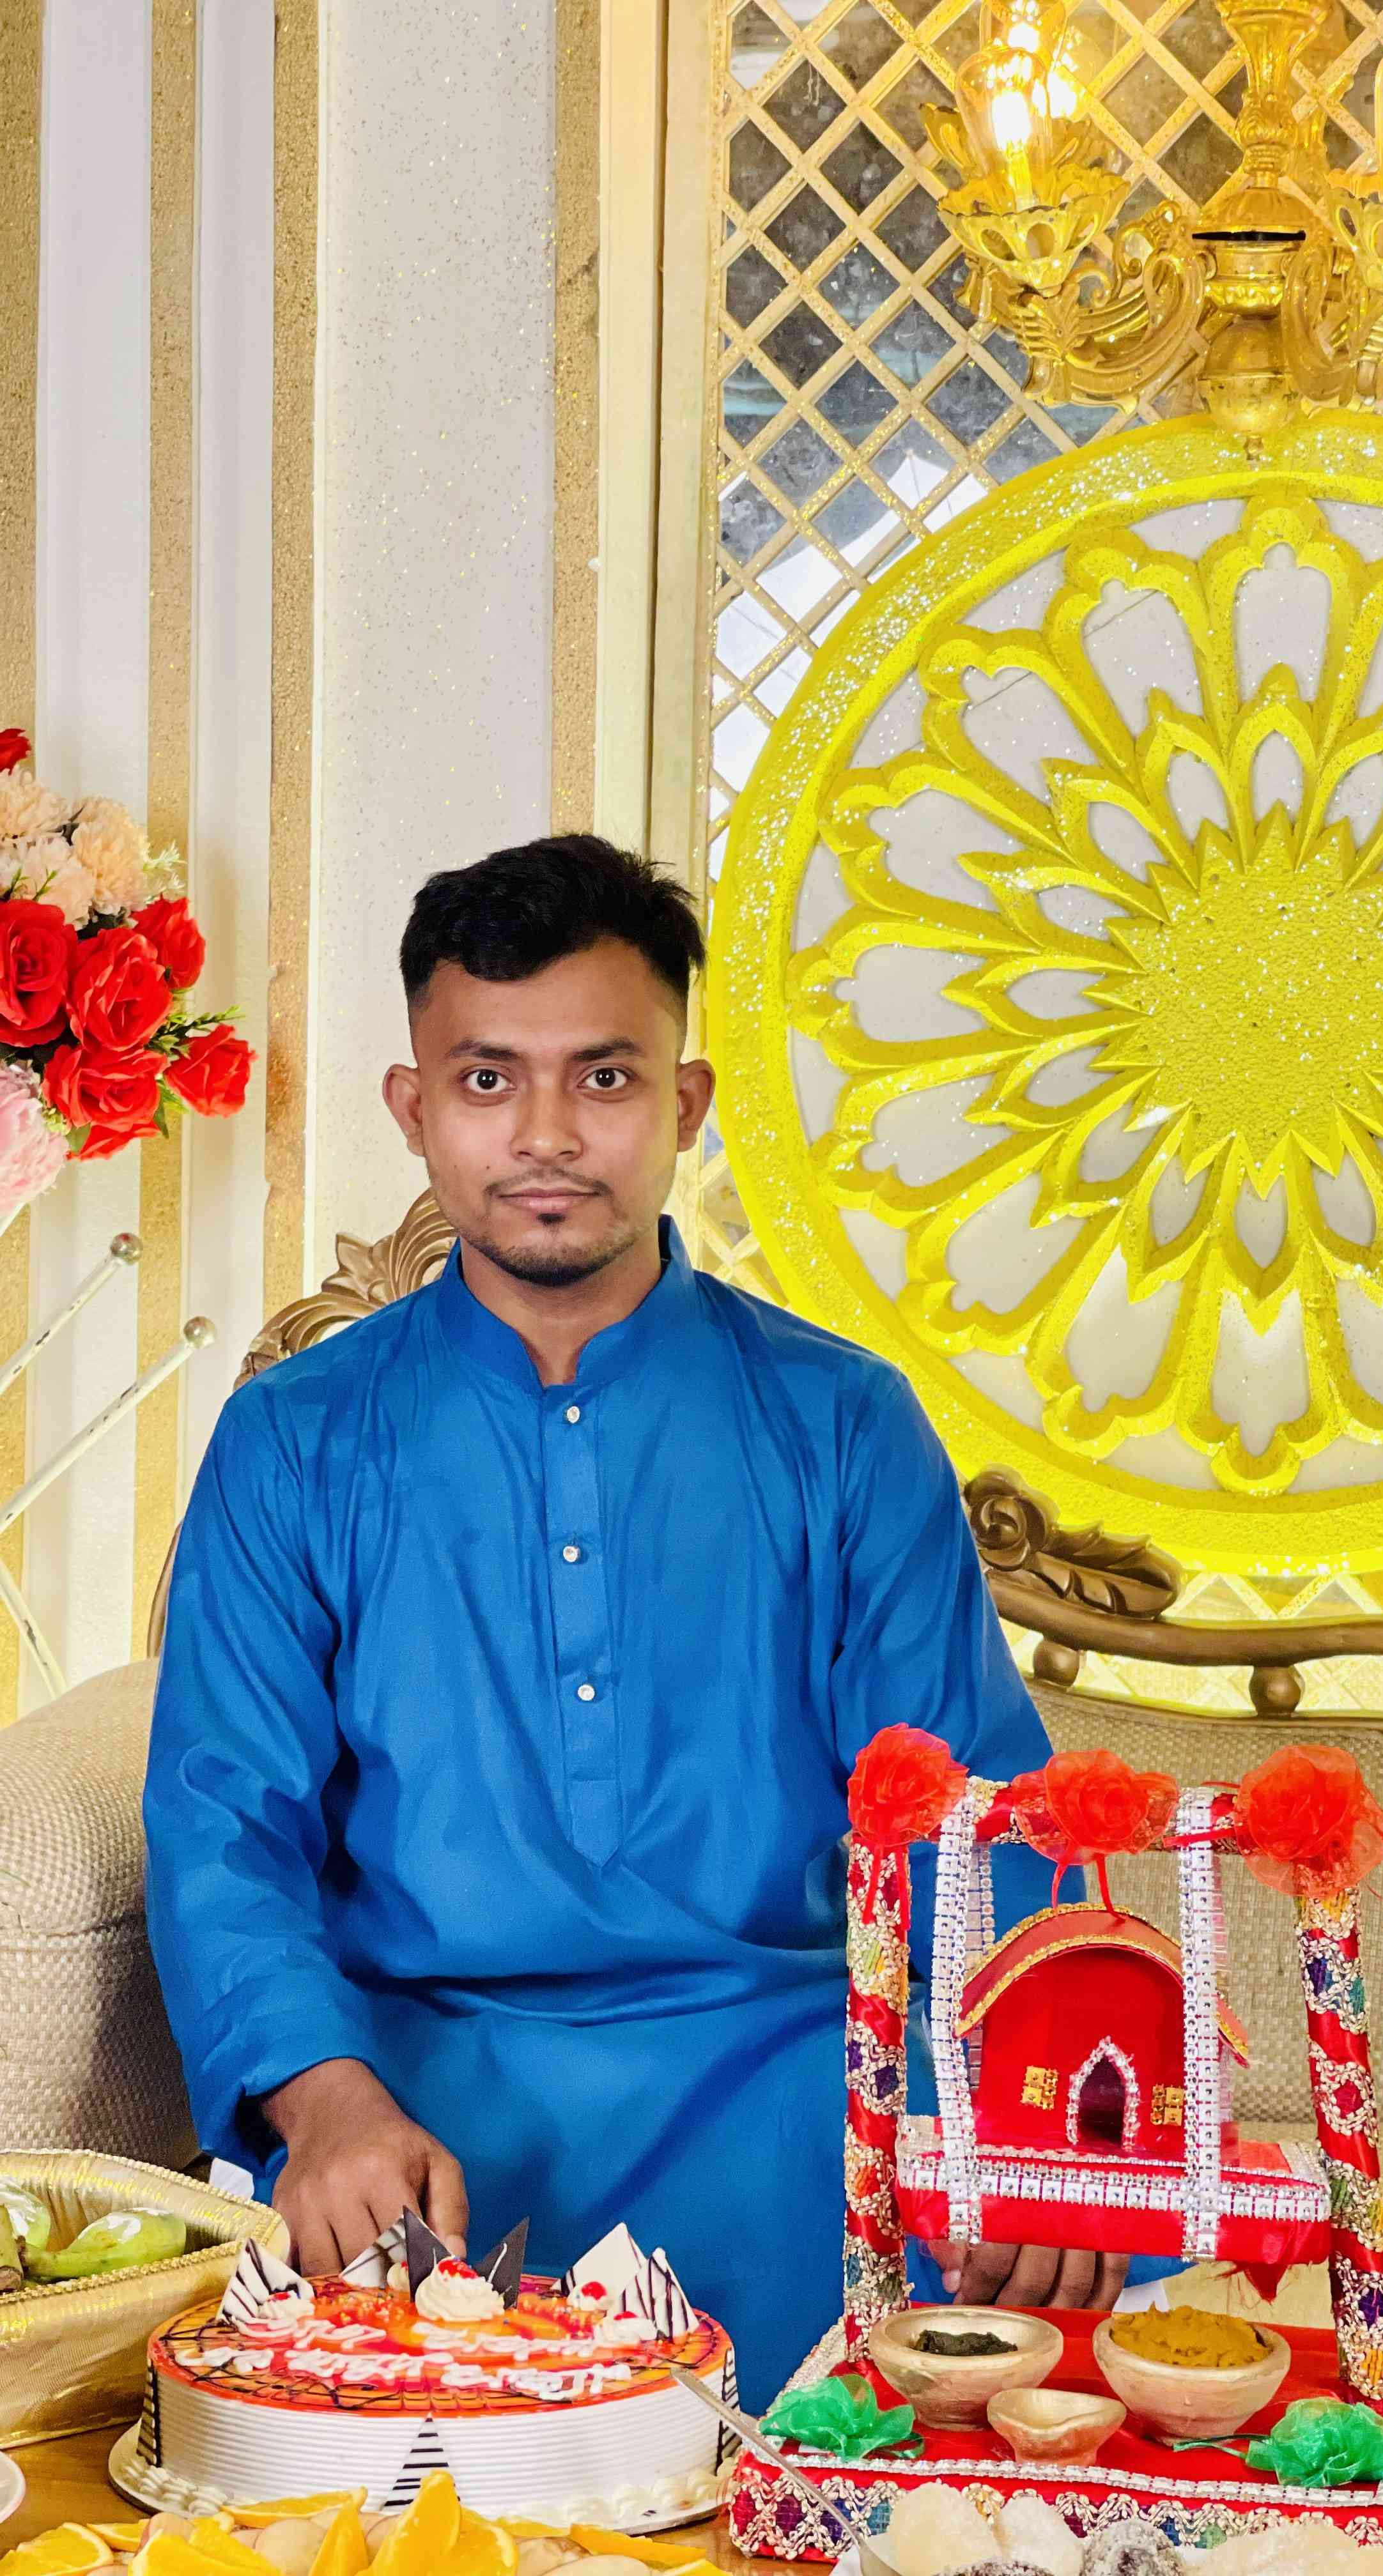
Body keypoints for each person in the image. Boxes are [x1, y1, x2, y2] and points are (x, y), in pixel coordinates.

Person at [143, 834, 1132, 2405]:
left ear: (684, 1104)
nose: (546, 1135)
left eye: (603, 1078)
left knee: (1048, 2351)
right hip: (417, 2108)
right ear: (413, 1108)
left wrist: (1028, 2114)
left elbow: (970, 1815)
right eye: (487, 1081)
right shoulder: (294, 1441)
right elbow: (222, 1826)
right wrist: (322, 2099)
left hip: (799, 2079)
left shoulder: (842, 1424)